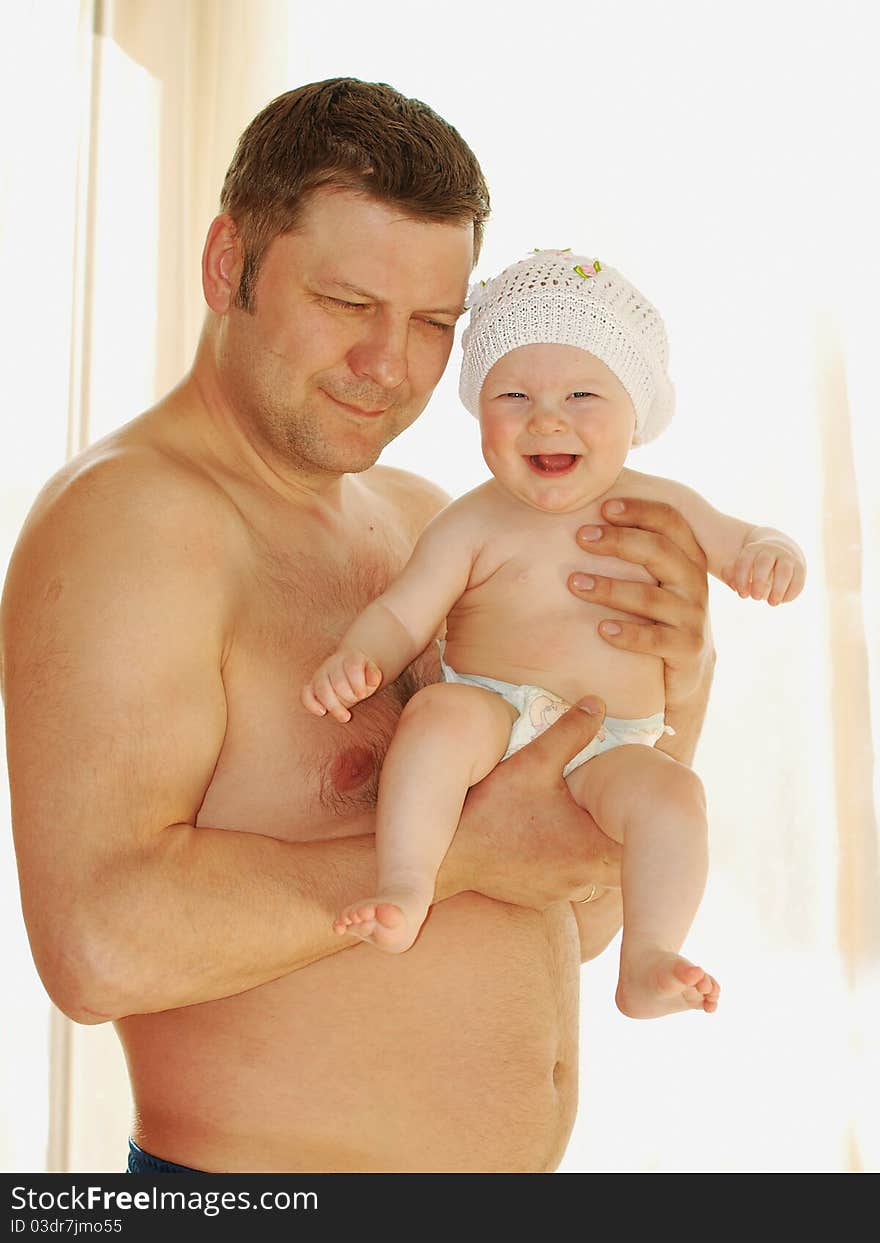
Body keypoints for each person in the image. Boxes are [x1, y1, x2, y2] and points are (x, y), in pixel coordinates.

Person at [1, 79, 715, 1174]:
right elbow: (98, 946)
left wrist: (678, 690)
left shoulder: (432, 524)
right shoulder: (136, 522)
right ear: (224, 262)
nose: (392, 366)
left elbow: (574, 917)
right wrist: (465, 849)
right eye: (347, 304)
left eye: (434, 323)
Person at [305, 250, 806, 1019]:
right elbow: (406, 613)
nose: (547, 417)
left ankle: (648, 955)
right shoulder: (470, 520)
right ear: (479, 411)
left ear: (635, 413)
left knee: (675, 795)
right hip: (492, 713)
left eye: (582, 393)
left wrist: (774, 556)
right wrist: (360, 657)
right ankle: (406, 882)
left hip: (614, 742)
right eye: (513, 393)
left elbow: (746, 543)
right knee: (434, 718)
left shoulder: (666, 507)